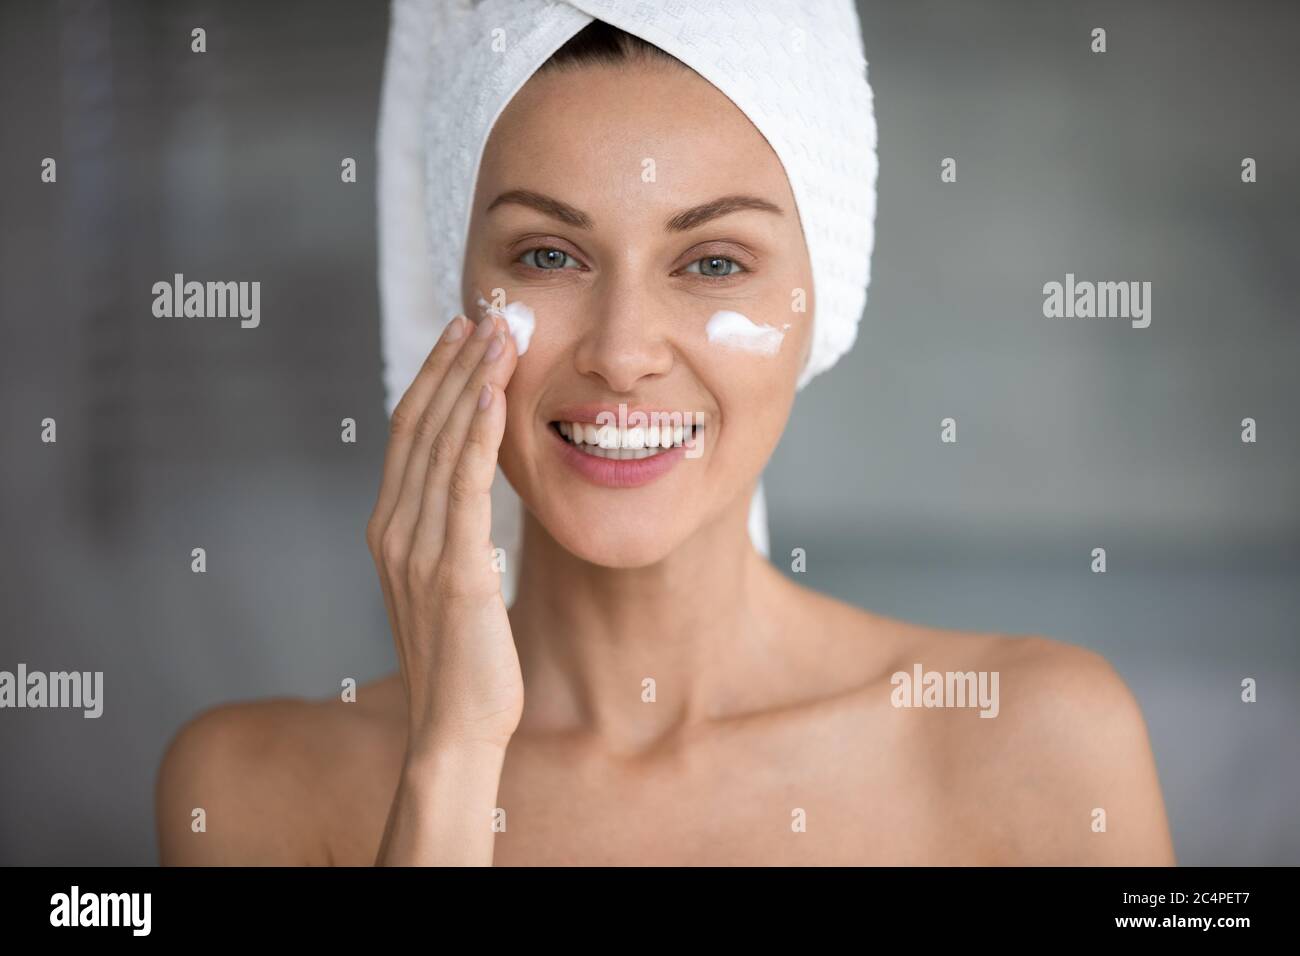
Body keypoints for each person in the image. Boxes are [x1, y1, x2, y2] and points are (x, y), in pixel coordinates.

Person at [156, 13, 1175, 866]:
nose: (623, 350)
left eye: (715, 261)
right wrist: (451, 762)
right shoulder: (253, 789)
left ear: (823, 300)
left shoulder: (1034, 745)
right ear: (451, 290)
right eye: (549, 253)